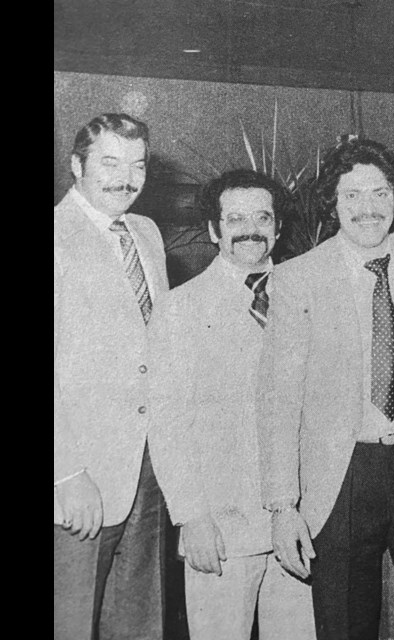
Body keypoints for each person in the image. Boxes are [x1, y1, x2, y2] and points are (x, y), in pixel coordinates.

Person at [257, 138, 394, 640]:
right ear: (332, 204)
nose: (367, 208)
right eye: (351, 196)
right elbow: (277, 400)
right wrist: (282, 507)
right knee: (345, 623)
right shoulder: (297, 279)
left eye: (379, 193)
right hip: (343, 473)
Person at [149, 169, 316, 640]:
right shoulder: (180, 309)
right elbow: (168, 423)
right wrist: (190, 517)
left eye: (262, 217)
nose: (250, 229)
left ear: (278, 228)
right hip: (221, 530)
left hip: (297, 527)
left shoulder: (305, 294)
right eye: (235, 217)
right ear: (213, 229)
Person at [54, 113, 169, 639]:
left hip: (148, 467)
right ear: (77, 165)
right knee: (70, 620)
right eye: (109, 163)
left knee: (137, 620)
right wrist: (65, 474)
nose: (126, 178)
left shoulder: (145, 232)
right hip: (81, 476)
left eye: (137, 164)